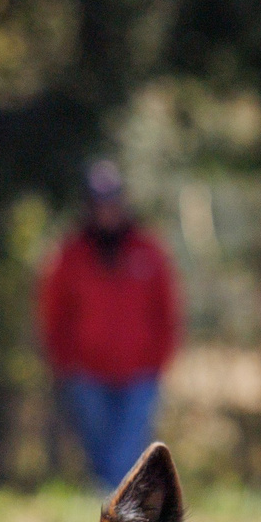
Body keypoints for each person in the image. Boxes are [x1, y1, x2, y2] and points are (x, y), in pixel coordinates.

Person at [38, 160, 180, 488]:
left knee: (128, 454)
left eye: (112, 201)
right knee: (99, 451)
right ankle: (108, 518)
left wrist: (159, 360)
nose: (106, 210)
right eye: (99, 202)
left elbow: (168, 311)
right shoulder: (70, 253)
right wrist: (65, 363)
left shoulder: (148, 249)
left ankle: (117, 517)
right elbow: (53, 313)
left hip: (140, 372)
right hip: (86, 373)